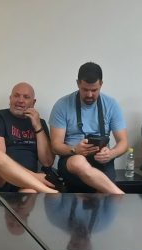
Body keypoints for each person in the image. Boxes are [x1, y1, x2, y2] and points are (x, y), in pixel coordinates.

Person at [49, 62, 126, 194]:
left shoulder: (111, 104)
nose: (89, 94)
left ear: (101, 84)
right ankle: (120, 195)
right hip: (72, 159)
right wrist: (75, 149)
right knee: (79, 162)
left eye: (94, 90)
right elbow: (55, 146)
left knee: (103, 196)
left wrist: (111, 154)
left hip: (102, 160)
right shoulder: (62, 105)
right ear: (78, 83)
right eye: (85, 90)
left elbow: (123, 142)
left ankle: (113, 195)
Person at [0, 82, 58, 194]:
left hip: (26, 185)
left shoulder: (39, 123)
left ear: (33, 103)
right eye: (16, 96)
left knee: (30, 193)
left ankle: (44, 190)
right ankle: (51, 192)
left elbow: (47, 162)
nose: (20, 100)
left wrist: (38, 127)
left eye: (26, 97)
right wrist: (34, 177)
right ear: (10, 99)